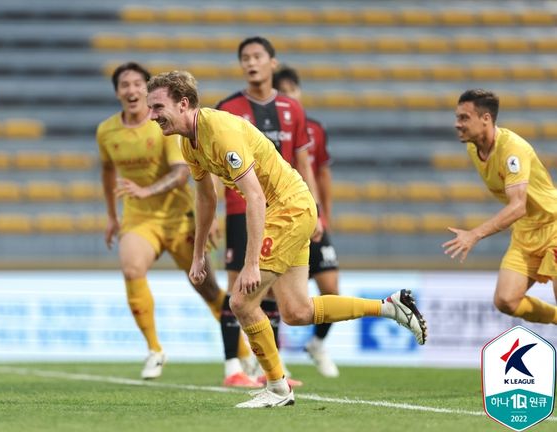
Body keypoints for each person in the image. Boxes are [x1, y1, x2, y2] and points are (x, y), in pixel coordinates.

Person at [146, 70, 427, 408]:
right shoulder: (188, 142)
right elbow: (206, 198)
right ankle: (391, 307)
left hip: (287, 208)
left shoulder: (219, 131)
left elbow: (255, 197)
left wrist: (251, 265)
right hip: (290, 207)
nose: (151, 116)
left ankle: (278, 387)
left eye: (157, 107)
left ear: (184, 103)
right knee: (296, 311)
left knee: (241, 301)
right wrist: (197, 256)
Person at [96, 62, 228, 380]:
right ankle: (155, 349)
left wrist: (146, 190)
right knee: (131, 268)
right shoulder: (106, 131)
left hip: (179, 218)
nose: (131, 90)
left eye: (137, 84)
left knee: (207, 288)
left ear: (147, 89)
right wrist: (113, 216)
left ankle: (240, 350)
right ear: (117, 92)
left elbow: (182, 173)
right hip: (140, 220)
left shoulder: (163, 124)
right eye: (124, 84)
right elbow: (107, 171)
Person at [215, 36, 323, 387]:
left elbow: (304, 162)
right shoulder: (228, 108)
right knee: (238, 287)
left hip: (285, 208)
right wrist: (217, 211)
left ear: (272, 63)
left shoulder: (293, 109)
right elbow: (216, 164)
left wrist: (316, 211)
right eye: (245, 57)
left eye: (257, 56)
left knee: (274, 289)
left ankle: (268, 370)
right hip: (239, 208)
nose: (251, 62)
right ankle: (232, 367)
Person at [444, 89, 557, 325]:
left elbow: (518, 207)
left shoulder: (512, 150)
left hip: (553, 225)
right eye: (457, 118)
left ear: (486, 119)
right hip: (526, 231)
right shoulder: (474, 148)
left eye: (464, 118)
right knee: (506, 300)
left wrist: (474, 234)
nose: (457, 124)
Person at [273, 65, 340, 378]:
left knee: (331, 289)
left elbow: (321, 173)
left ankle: (317, 344)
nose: (289, 98)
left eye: (292, 92)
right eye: (283, 93)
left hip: (311, 215)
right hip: (283, 216)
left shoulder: (314, 128)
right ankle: (275, 362)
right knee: (275, 294)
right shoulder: (267, 130)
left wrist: (323, 213)